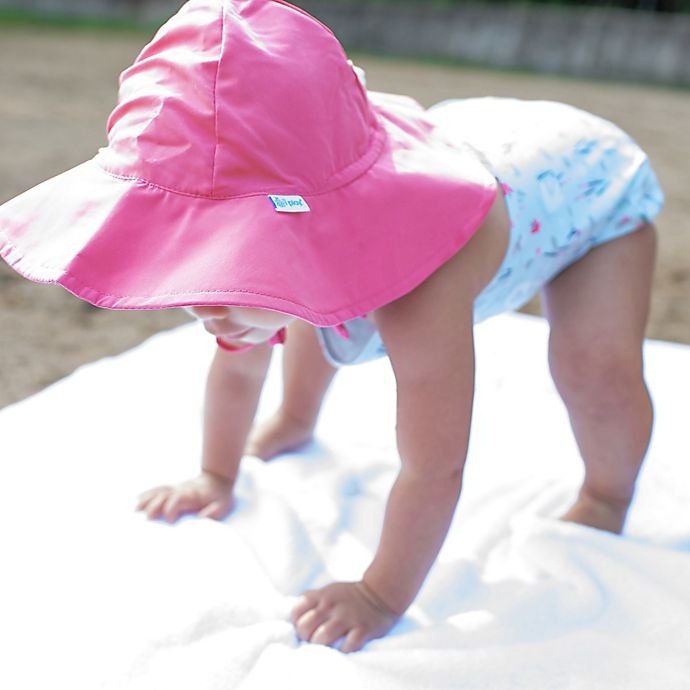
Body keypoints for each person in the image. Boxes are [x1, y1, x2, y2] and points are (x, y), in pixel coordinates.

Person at [0, 0, 662, 654]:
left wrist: (379, 593)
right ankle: (296, 416)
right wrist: (216, 476)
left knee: (592, 369)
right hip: (471, 138)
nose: (207, 308)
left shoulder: (422, 284)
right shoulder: (282, 250)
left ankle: (608, 492)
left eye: (230, 266)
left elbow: (436, 465)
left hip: (586, 190)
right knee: (300, 307)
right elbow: (240, 360)